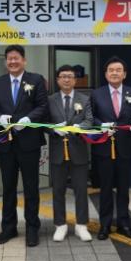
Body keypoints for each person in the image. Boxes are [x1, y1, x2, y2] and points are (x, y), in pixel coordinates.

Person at [0, 45, 48, 246]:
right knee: (8, 187)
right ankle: (8, 228)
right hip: (6, 144)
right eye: (9, 58)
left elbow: (43, 106)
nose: (13, 61)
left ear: (24, 60)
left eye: (16, 58)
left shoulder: (36, 80)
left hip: (29, 142)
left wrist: (29, 119)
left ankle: (32, 228)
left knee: (31, 187)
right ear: (6, 62)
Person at [90, 56, 131, 241]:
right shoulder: (96, 94)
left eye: (118, 70)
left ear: (124, 74)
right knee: (105, 188)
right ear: (106, 74)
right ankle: (105, 224)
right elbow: (91, 117)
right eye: (111, 70)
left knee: (123, 188)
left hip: (126, 147)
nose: (115, 73)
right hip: (104, 147)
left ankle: (124, 223)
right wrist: (101, 124)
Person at [48, 65, 94, 242]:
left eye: (70, 76)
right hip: (58, 152)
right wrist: (53, 129)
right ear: (58, 80)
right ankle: (60, 225)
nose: (66, 79)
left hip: (78, 151)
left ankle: (81, 225)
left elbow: (89, 120)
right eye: (63, 76)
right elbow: (44, 122)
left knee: (81, 190)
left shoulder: (85, 99)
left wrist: (79, 127)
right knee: (58, 190)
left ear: (75, 80)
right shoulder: (50, 100)